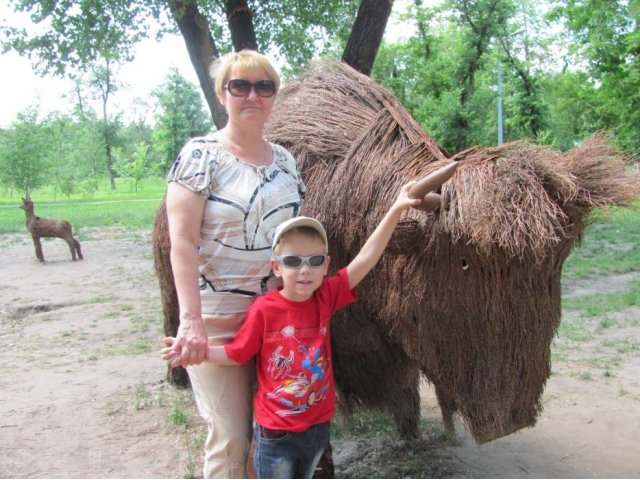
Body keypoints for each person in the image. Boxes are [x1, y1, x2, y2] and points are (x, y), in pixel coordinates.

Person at [162, 183, 422, 478]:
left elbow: (366, 259)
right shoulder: (264, 310)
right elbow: (238, 353)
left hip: (318, 428)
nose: (304, 270)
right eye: (293, 261)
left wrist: (397, 208)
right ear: (276, 266)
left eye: (314, 261)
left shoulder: (326, 296)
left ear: (325, 266)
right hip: (277, 436)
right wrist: (198, 353)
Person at [165, 49, 306, 478]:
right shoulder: (200, 156)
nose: (252, 95)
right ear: (221, 94)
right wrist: (191, 322)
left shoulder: (285, 161)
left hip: (273, 321)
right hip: (217, 323)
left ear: (274, 95)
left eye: (264, 86)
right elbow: (183, 243)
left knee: (270, 434)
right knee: (229, 437)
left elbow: (290, 241)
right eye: (239, 85)